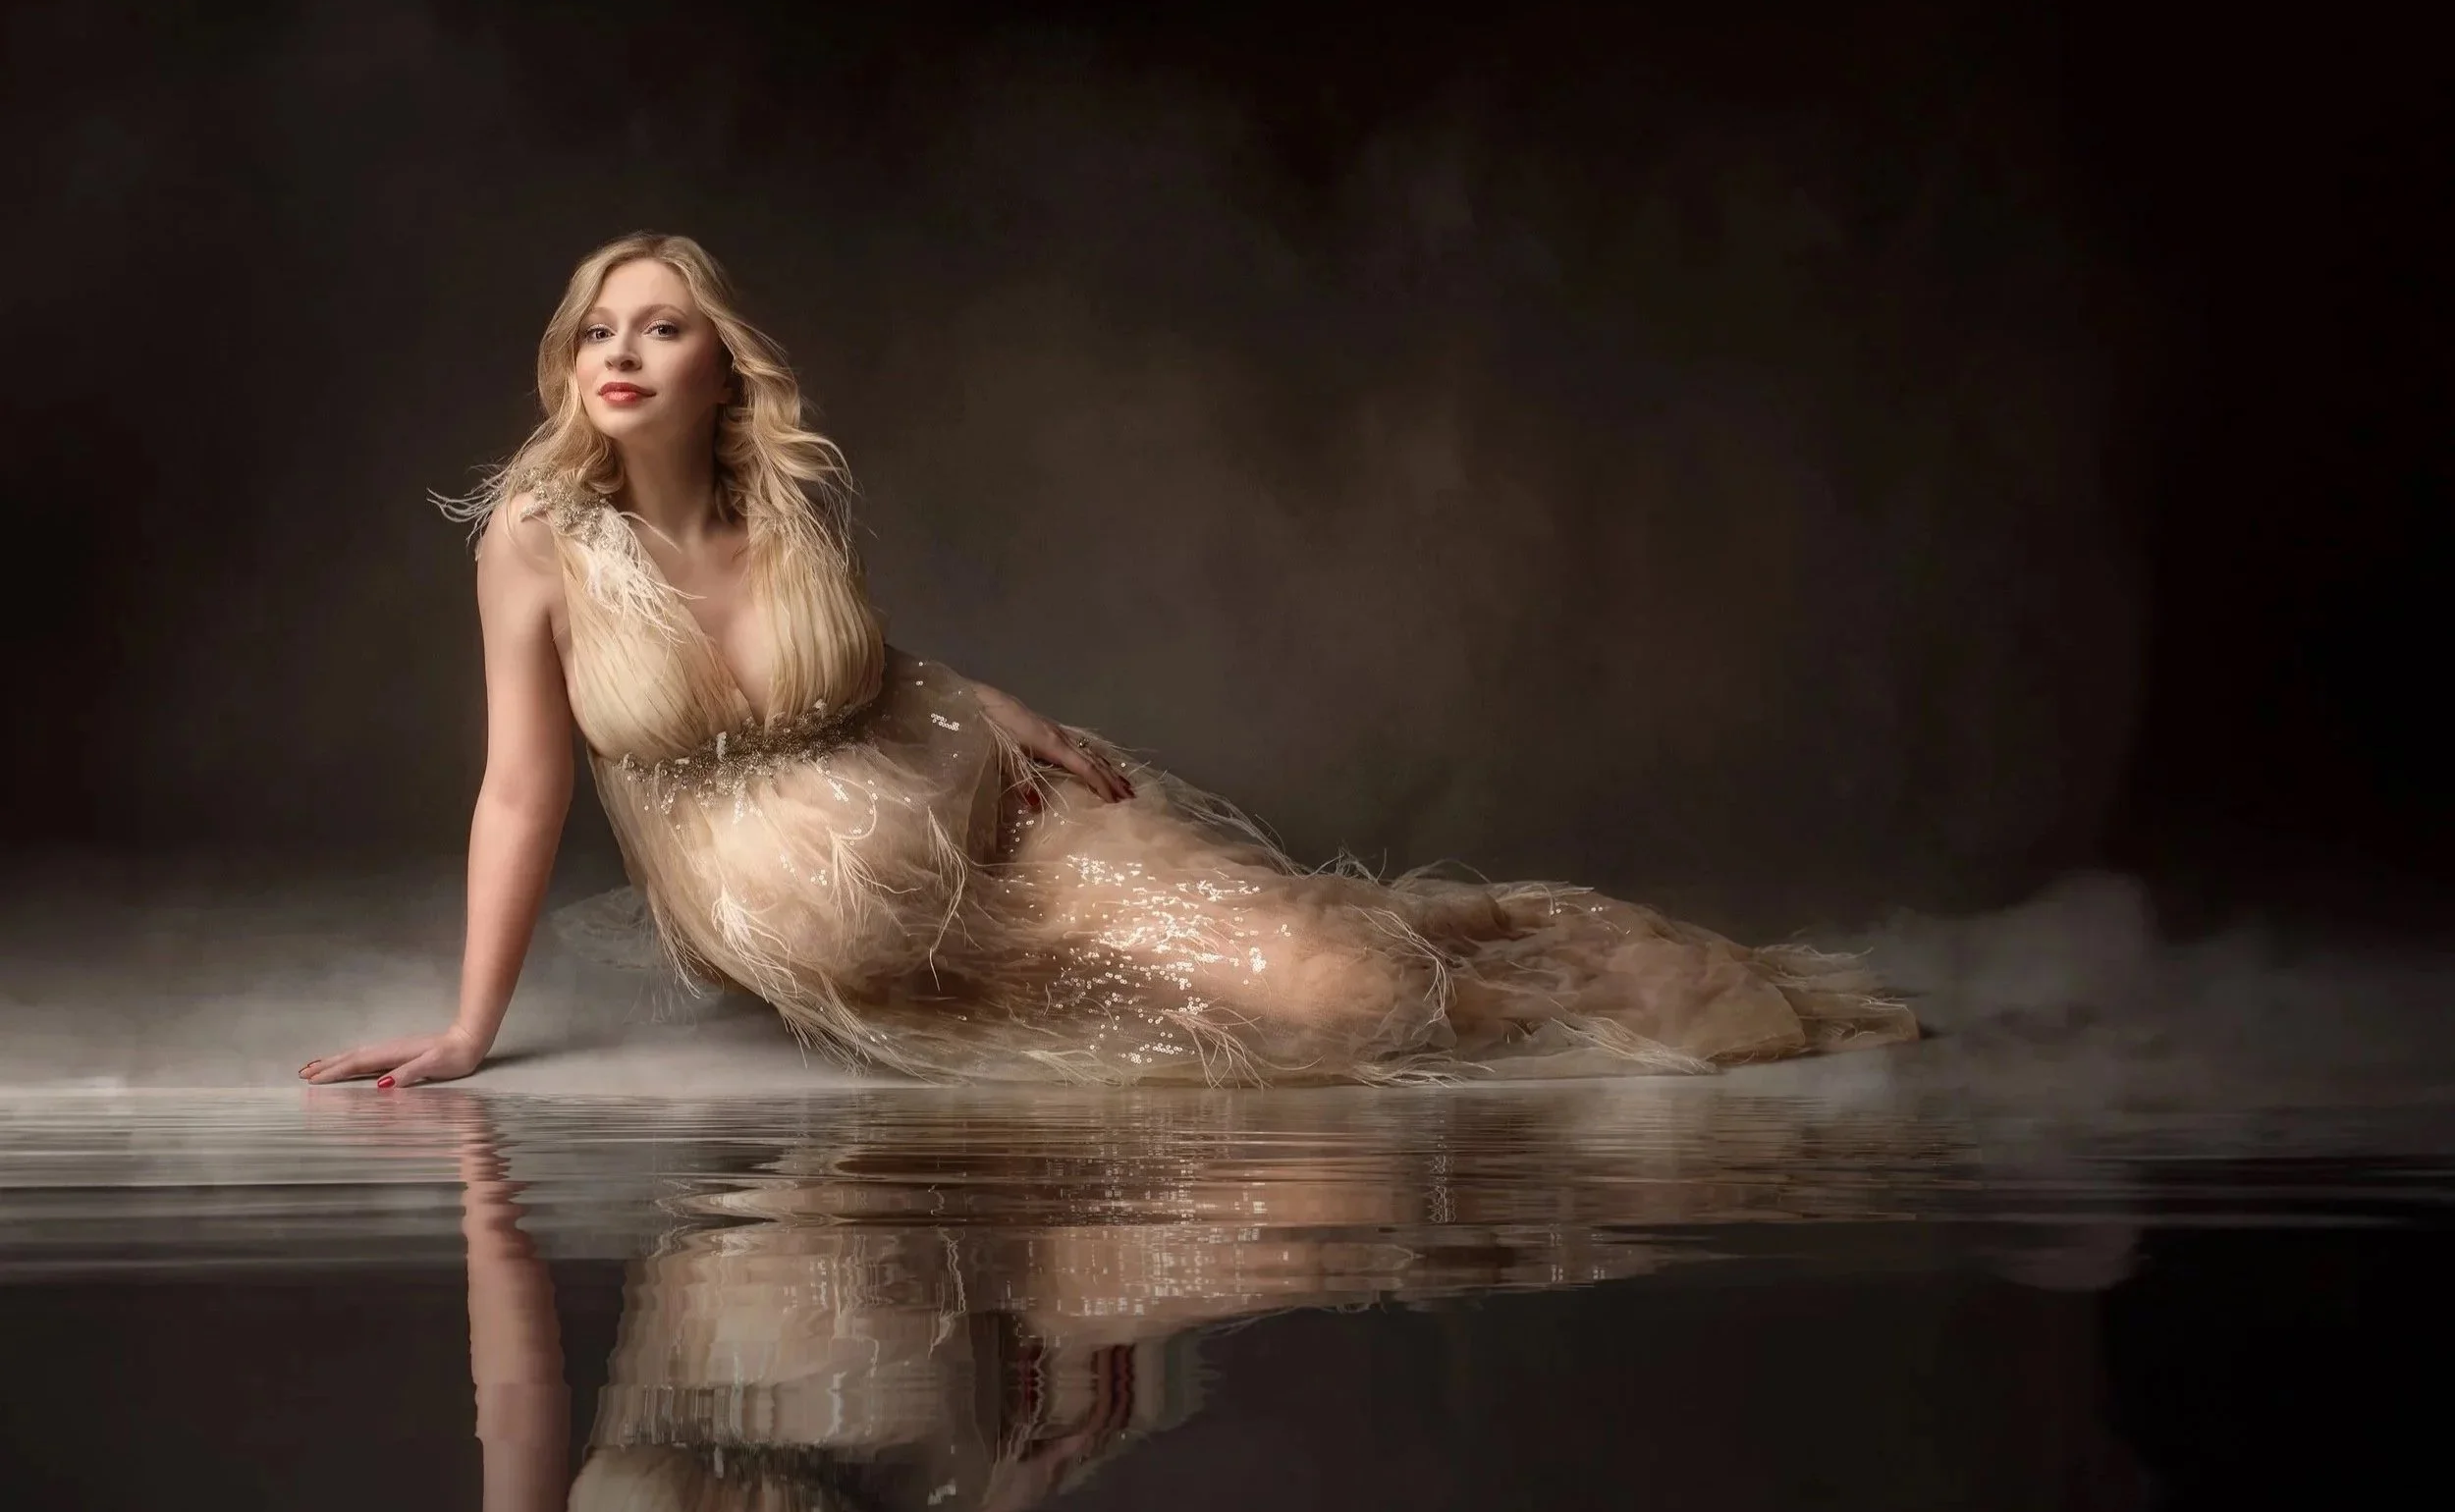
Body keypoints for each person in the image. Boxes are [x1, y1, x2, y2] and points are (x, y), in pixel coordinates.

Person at [300, 233, 1915, 1091]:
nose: (619, 355)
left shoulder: (783, 506)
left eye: (658, 325)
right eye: (596, 329)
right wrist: (468, 1028)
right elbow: (521, 795)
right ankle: (1480, 983)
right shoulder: (535, 544)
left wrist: (998, 711)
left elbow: (857, 670)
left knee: (1345, 987)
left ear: (726, 363)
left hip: (999, 810)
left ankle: (1566, 973)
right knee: (1294, 1034)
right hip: (891, 951)